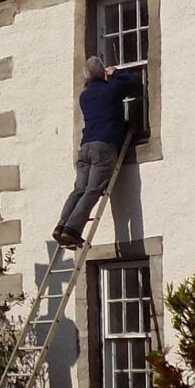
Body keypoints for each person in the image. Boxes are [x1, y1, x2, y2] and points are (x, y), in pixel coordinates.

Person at [54, 55, 143, 248]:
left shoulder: (84, 96)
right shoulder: (111, 89)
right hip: (103, 146)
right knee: (93, 190)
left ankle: (61, 225)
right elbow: (135, 82)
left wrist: (106, 77)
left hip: (85, 147)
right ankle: (72, 229)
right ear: (103, 73)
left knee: (79, 189)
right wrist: (116, 73)